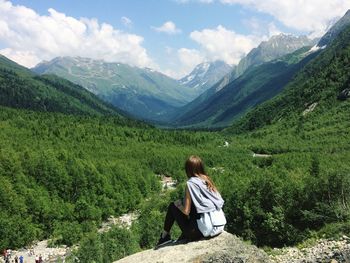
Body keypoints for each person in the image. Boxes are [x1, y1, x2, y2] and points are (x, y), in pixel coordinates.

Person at [156, 155, 224, 247]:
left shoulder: (190, 184)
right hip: (218, 226)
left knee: (173, 206)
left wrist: (179, 205)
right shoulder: (207, 179)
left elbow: (186, 211)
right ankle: (183, 235)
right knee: (193, 207)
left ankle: (164, 236)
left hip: (202, 231)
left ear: (188, 169)